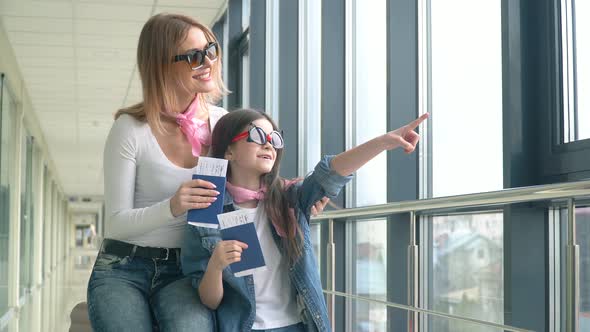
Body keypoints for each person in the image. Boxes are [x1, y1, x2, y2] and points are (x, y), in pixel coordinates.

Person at [87, 13, 328, 332]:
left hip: (186, 270)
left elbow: (250, 183)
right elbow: (115, 222)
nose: (208, 62)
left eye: (211, 50)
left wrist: (294, 199)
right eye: (193, 56)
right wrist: (173, 206)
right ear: (160, 65)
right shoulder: (130, 130)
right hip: (123, 265)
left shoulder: (221, 122)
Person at [181, 109, 429, 332]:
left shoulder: (290, 199)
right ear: (229, 150)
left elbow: (330, 173)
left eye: (274, 139)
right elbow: (209, 300)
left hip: (296, 325)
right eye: (257, 136)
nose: (269, 145)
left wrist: (383, 142)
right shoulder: (206, 212)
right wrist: (216, 265)